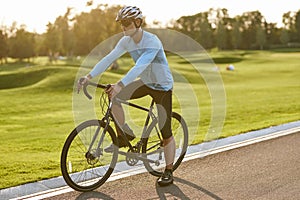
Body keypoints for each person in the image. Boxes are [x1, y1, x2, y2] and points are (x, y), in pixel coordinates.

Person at [77, 6, 175, 186]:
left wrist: (120, 85)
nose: (123, 27)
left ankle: (169, 170)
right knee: (113, 96)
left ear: (138, 22)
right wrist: (88, 77)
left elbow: (140, 66)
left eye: (127, 23)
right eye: (121, 23)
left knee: (166, 132)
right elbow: (108, 59)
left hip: (161, 86)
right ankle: (125, 135)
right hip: (146, 82)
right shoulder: (125, 41)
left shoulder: (152, 41)